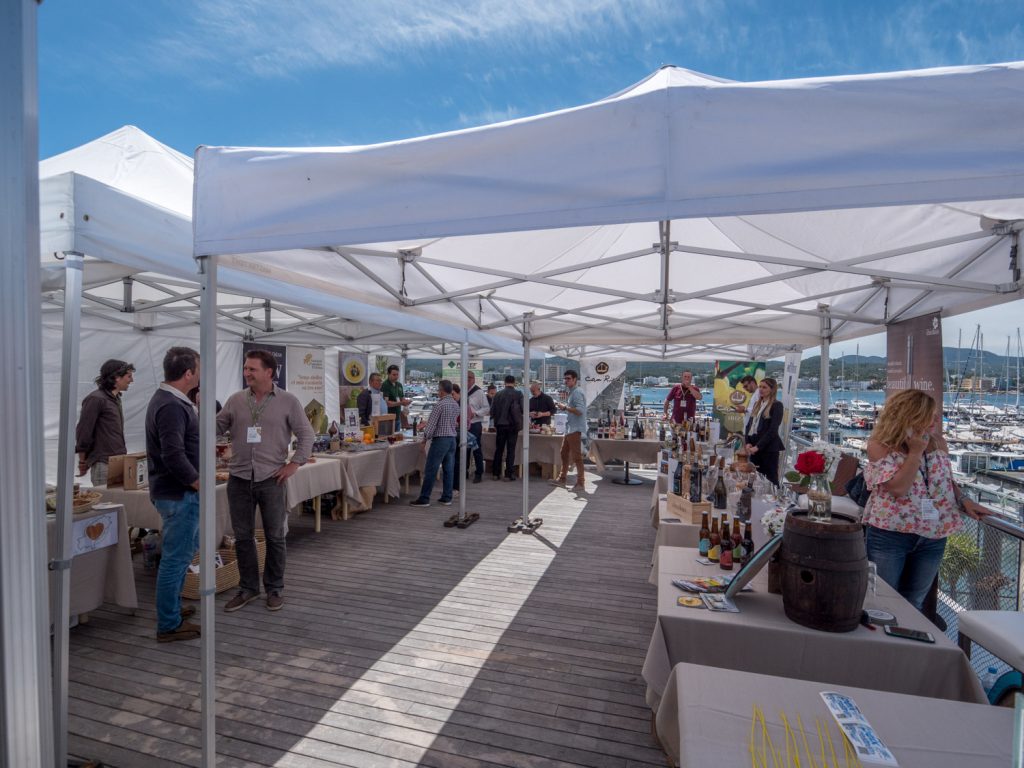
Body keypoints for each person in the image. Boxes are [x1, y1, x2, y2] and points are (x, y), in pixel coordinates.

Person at [863, 389, 991, 611]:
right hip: (891, 533)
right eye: (930, 414)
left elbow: (945, 480)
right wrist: (914, 453)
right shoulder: (880, 445)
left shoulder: (938, 442)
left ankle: (908, 643)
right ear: (911, 414)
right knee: (881, 599)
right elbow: (898, 488)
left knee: (914, 601)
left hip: (933, 535)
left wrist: (964, 500)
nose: (936, 419)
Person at [217, 349, 315, 613]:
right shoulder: (236, 400)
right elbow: (216, 428)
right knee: (242, 537)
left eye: (252, 369)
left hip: (272, 478)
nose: (246, 373)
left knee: (275, 536)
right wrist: (201, 411)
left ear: (269, 372)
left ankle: (274, 588)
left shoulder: (288, 401)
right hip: (238, 478)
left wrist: (295, 464)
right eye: (246, 369)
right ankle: (248, 588)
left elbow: (307, 434)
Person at [144, 347, 201, 643]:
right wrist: (197, 482)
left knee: (182, 554)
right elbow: (173, 454)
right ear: (188, 373)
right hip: (179, 494)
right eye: (199, 369)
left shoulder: (172, 401)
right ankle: (168, 623)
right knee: (175, 559)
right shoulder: (170, 405)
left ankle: (173, 610)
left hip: (177, 492)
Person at [75, 358, 135, 485]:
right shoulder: (96, 399)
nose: (131, 380)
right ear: (117, 377)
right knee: (106, 503)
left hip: (118, 461)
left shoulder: (115, 399)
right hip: (103, 463)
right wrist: (82, 461)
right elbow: (84, 432)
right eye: (128, 376)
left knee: (119, 502)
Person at [410, 379, 459, 507]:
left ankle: (424, 498)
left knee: (431, 469)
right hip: (452, 439)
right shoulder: (455, 404)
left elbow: (431, 426)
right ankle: (447, 497)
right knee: (449, 469)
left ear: (441, 391)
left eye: (438, 389)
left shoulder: (439, 405)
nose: (437, 392)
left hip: (440, 440)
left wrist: (424, 439)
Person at [743, 377, 784, 486]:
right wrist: (747, 442)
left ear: (772, 389)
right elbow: (748, 426)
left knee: (771, 480)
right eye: (760, 387)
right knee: (755, 479)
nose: (761, 389)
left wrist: (758, 447)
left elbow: (773, 430)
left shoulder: (777, 405)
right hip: (754, 449)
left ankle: (775, 501)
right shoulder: (757, 404)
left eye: (764, 387)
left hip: (769, 449)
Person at [552, 370, 587, 492]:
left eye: (568, 378)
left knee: (576, 456)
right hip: (570, 428)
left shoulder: (576, 392)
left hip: (575, 428)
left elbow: (580, 410)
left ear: (575, 379)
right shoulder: (573, 392)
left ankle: (581, 483)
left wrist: (565, 407)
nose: (566, 380)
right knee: (563, 453)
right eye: (565, 378)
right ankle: (562, 479)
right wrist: (565, 407)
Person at [490, 375, 523, 481]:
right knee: (510, 450)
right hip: (513, 426)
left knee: (499, 449)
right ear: (514, 382)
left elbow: (492, 411)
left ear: (504, 382)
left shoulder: (498, 394)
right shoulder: (518, 394)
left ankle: (496, 473)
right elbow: (522, 409)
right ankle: (509, 474)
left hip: (500, 425)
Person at [465, 371, 489, 483]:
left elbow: (486, 408)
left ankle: (479, 473)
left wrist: (475, 413)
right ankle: (464, 472)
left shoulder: (479, 392)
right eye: (466, 378)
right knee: (464, 449)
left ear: (474, 379)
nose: (468, 380)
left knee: (476, 449)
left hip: (474, 424)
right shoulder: (462, 391)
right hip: (464, 425)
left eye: (470, 378)